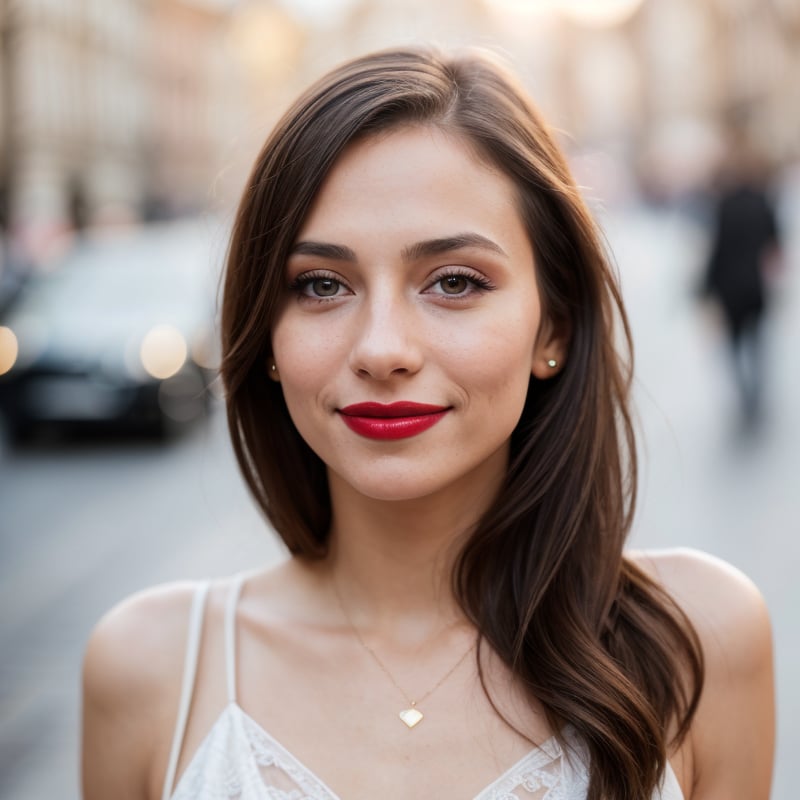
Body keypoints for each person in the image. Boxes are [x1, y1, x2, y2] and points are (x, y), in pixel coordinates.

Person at [81, 47, 774, 800]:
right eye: (321, 285)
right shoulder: (149, 668)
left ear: (555, 329)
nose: (382, 350)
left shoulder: (698, 642)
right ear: (267, 335)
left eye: (454, 282)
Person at [702, 133, 782, 431]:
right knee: (757, 342)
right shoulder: (763, 201)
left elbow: (717, 249)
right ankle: (755, 394)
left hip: (729, 288)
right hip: (755, 286)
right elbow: (775, 245)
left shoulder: (724, 205)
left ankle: (746, 395)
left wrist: (706, 289)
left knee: (734, 345)